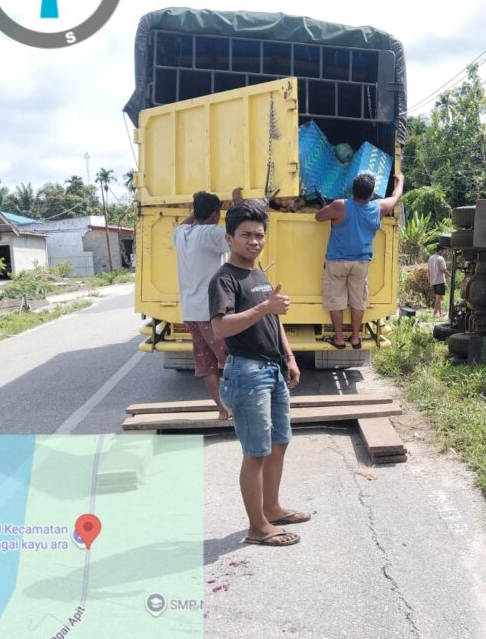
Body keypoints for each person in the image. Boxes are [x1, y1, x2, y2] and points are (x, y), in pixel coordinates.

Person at [209, 200, 307, 547]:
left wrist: (290, 356)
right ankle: (257, 527)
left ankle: (273, 507)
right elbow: (220, 328)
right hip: (247, 373)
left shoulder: (257, 273)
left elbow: (272, 319)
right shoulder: (224, 279)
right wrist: (265, 306)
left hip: (273, 369)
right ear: (229, 238)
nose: (254, 241)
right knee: (256, 451)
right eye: (246, 235)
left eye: (259, 235)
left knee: (279, 442)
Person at [172, 188, 241, 421]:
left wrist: (199, 206)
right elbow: (239, 235)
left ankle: (222, 410)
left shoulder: (181, 233)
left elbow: (189, 221)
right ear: (214, 214)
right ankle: (240, 408)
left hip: (190, 311)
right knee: (232, 361)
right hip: (210, 312)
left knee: (207, 365)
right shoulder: (212, 233)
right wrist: (237, 206)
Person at [315, 171, 404, 349]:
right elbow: (396, 196)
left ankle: (339, 339)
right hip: (361, 263)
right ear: (372, 194)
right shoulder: (378, 207)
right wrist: (400, 180)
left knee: (336, 300)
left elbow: (318, 217)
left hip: (337, 262)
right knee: (358, 301)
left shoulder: (340, 206)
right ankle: (355, 338)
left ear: (352, 190)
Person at [427, 244, 449, 317]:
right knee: (438, 298)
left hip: (433, 281)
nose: (444, 252)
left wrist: (430, 281)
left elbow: (428, 271)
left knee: (438, 297)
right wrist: (450, 275)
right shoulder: (440, 258)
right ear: (440, 250)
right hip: (440, 280)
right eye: (444, 251)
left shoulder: (431, 258)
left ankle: (440, 312)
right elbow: (443, 270)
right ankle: (434, 314)